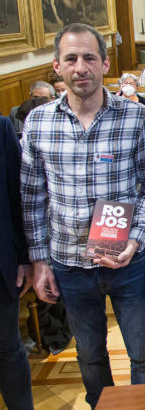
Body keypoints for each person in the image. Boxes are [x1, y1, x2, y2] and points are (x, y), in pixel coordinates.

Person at [20, 23, 145, 408]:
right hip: (69, 263)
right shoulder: (38, 123)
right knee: (90, 356)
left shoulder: (137, 117)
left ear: (105, 63)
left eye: (89, 58)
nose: (80, 67)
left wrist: (135, 238)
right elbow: (32, 198)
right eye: (71, 59)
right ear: (56, 66)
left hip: (128, 263)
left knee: (144, 354)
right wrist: (38, 262)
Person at [0, 116, 34, 410]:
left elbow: (16, 194)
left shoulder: (0, 128)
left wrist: (24, 257)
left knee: (8, 350)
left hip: (1, 264)